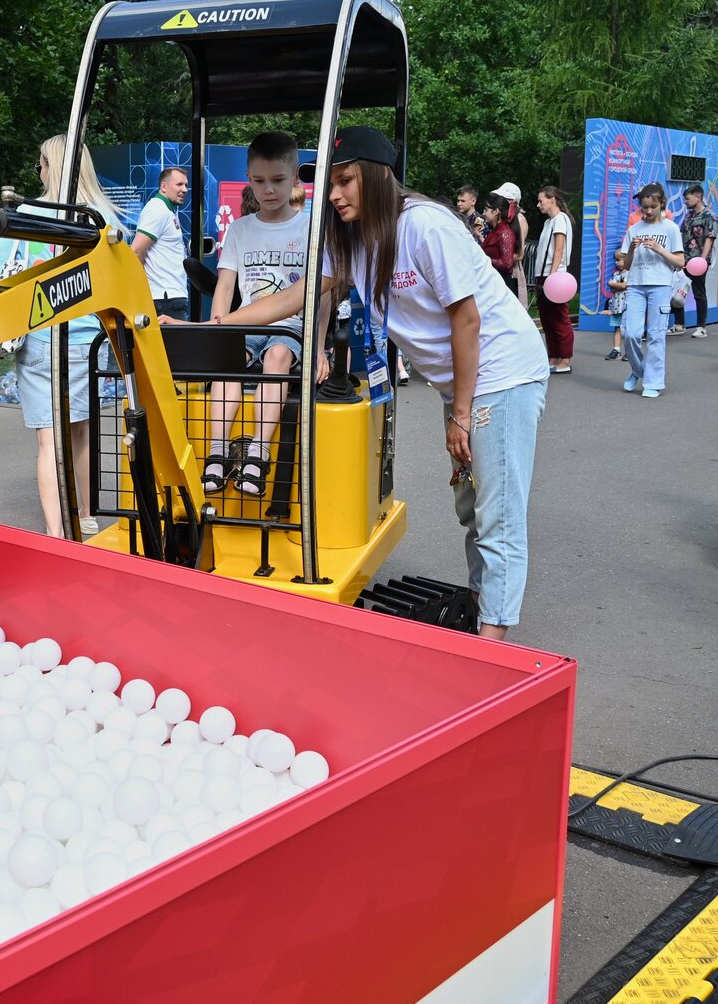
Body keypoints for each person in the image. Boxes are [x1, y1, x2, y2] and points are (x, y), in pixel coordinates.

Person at [214, 127, 549, 640]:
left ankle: (494, 645)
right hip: (459, 381)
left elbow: (468, 320)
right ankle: (485, 606)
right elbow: (298, 295)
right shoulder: (350, 236)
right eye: (330, 184)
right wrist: (217, 326)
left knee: (497, 513)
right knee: (472, 508)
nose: (334, 194)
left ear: (380, 175)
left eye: (346, 180)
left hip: (502, 372)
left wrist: (460, 411)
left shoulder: (425, 226)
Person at [0, 134, 123, 538]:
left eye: (40, 163)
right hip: (88, 339)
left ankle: (56, 531)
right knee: (80, 430)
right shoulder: (101, 217)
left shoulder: (29, 212)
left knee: (48, 439)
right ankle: (88, 514)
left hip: (41, 336)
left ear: (48, 166)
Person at [203, 131, 309, 498]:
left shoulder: (310, 227)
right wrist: (218, 331)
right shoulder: (239, 229)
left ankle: (258, 455)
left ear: (295, 178)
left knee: (277, 357)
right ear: (249, 178)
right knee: (228, 359)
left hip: (290, 328)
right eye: (260, 181)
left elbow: (322, 295)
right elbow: (225, 286)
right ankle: (217, 451)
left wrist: (321, 346)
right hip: (246, 323)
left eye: (278, 180)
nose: (269, 190)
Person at [618, 182, 684, 399]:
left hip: (661, 286)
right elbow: (626, 265)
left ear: (661, 204)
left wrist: (658, 248)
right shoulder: (633, 229)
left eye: (652, 207)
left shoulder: (671, 229)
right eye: (644, 207)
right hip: (636, 285)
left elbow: (680, 262)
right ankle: (639, 370)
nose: (647, 211)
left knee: (656, 336)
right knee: (630, 332)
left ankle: (653, 382)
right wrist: (631, 249)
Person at [131, 167, 190, 319]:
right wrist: (139, 289)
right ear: (164, 186)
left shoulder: (165, 210)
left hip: (168, 297)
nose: (184, 189)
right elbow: (136, 250)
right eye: (179, 184)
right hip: (165, 299)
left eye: (186, 185)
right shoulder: (157, 209)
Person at [533, 187, 575, 374]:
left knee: (559, 318)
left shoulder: (560, 219)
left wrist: (553, 274)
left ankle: (565, 358)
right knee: (547, 318)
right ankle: (553, 356)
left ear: (552, 199)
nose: (538, 204)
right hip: (542, 275)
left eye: (541, 200)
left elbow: (559, 248)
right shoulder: (549, 222)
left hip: (554, 276)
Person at [672, 183, 715, 338]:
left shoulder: (709, 216)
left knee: (699, 293)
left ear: (698, 197)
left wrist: (702, 261)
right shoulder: (689, 215)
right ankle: (679, 324)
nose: (685, 202)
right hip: (684, 259)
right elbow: (683, 235)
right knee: (677, 291)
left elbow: (709, 239)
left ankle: (701, 327)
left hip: (698, 262)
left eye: (688, 199)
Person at [495, 182, 529, 307]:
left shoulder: (519, 219)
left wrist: (498, 260)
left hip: (512, 271)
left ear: (512, 201)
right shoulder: (502, 220)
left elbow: (519, 254)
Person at [481, 192, 518, 297]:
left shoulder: (505, 233)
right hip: (492, 281)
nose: (483, 213)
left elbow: (507, 263)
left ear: (496, 212)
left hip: (502, 284)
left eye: (486, 210)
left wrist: (485, 260)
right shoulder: (494, 231)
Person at [605, 249, 628, 361]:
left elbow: (624, 286)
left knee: (627, 329)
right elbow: (614, 289)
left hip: (626, 306)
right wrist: (613, 285)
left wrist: (612, 284)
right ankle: (616, 349)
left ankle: (629, 351)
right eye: (616, 260)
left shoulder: (630, 273)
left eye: (619, 260)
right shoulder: (615, 274)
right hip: (616, 306)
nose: (616, 262)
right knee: (617, 327)